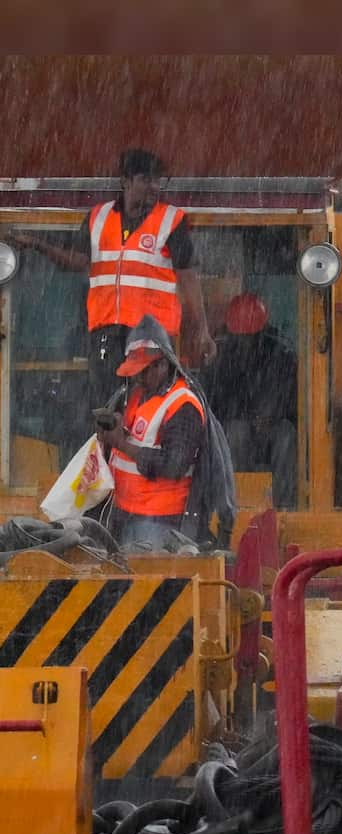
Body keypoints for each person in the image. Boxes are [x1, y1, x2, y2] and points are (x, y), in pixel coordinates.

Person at [8, 149, 215, 411]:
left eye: (157, 180)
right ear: (125, 181)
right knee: (107, 406)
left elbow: (188, 278)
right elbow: (79, 261)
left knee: (147, 408)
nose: (153, 187)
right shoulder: (99, 217)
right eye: (145, 179)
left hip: (151, 336)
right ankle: (109, 450)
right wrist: (37, 244)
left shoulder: (170, 221)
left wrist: (201, 330)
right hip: (105, 331)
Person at [96, 323, 206, 551]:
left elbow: (174, 465)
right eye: (135, 373)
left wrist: (121, 444)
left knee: (148, 581)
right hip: (125, 512)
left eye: (144, 371)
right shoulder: (138, 395)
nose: (139, 379)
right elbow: (138, 437)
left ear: (163, 364)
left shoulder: (183, 405)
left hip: (159, 521)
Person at [205, 293, 297, 507]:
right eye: (240, 336)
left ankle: (286, 505)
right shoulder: (220, 359)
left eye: (250, 335)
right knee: (236, 434)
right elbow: (216, 403)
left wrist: (273, 416)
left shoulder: (282, 355)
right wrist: (244, 417)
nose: (245, 341)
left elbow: (290, 396)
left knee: (287, 437)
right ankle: (236, 503)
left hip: (273, 428)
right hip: (239, 427)